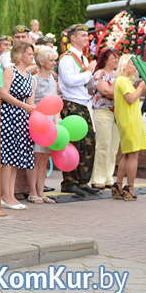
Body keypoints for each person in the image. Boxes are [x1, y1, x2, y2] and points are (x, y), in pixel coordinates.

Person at [57, 23, 98, 196]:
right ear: (72, 38)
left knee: (88, 144)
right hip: (72, 104)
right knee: (74, 144)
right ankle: (70, 181)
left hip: (82, 103)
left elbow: (85, 83)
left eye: (86, 35)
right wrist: (89, 73)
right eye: (82, 35)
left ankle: (82, 181)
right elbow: (69, 81)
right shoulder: (67, 58)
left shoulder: (83, 58)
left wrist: (94, 78)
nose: (86, 38)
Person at [0, 42, 36, 210]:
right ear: (20, 55)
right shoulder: (10, 70)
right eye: (29, 54)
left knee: (15, 159)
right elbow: (3, 93)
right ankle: (5, 196)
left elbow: (30, 102)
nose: (32, 57)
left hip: (22, 119)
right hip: (9, 116)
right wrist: (24, 106)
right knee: (8, 158)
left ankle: (11, 195)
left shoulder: (30, 77)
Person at [113, 54, 146, 201]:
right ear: (124, 66)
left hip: (128, 120)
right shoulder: (122, 81)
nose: (135, 68)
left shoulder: (120, 81)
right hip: (130, 121)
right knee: (133, 155)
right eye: (132, 65)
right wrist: (140, 88)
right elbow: (131, 99)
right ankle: (130, 187)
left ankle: (119, 185)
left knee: (127, 154)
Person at [28, 46, 58, 204]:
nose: (54, 62)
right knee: (36, 157)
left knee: (45, 157)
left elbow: (55, 102)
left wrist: (55, 119)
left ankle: (41, 191)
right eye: (51, 60)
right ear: (41, 61)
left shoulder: (52, 79)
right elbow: (31, 103)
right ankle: (32, 191)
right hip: (39, 123)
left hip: (51, 125)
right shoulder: (34, 79)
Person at [89, 48, 121, 190]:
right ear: (106, 59)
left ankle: (109, 177)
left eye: (117, 57)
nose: (116, 60)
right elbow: (105, 91)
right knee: (103, 145)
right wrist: (121, 93)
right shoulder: (99, 73)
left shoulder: (118, 75)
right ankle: (98, 178)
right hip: (103, 111)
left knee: (113, 147)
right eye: (114, 58)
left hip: (117, 113)